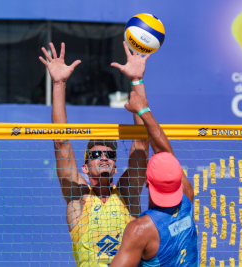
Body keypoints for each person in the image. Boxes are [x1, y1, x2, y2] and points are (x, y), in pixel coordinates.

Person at [39, 41, 150, 267]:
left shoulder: (127, 196)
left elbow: (141, 143)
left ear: (116, 167)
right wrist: (59, 83)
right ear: (85, 168)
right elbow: (61, 143)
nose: (103, 157)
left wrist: (136, 81)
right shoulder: (77, 198)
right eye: (96, 154)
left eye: (109, 155)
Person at [110, 90, 198, 267]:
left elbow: (165, 153)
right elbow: (166, 154)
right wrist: (142, 106)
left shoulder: (140, 230)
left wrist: (142, 108)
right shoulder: (187, 197)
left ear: (147, 183)